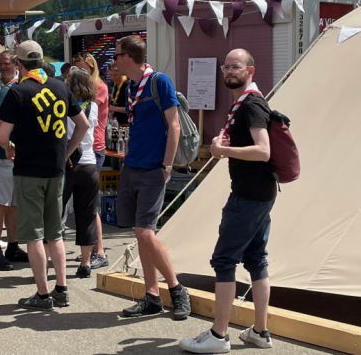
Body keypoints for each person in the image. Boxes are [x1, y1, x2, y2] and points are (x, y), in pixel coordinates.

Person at [179, 49, 276, 353]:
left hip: (248, 195)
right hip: (260, 193)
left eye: (236, 66)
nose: (229, 71)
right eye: (226, 67)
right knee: (256, 259)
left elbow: (263, 151)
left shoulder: (251, 104)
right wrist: (228, 146)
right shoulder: (247, 102)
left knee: (224, 260)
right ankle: (260, 332)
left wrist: (224, 151)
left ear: (251, 70)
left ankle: (219, 336)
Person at [0, 40, 88, 311]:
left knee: (34, 236)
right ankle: (62, 288)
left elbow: (2, 136)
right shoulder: (60, 86)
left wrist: (9, 147)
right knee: (55, 234)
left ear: (19, 64)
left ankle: (42, 293)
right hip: (56, 170)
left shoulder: (17, 91)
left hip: (29, 171)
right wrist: (67, 152)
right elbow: (82, 125)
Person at [114, 35, 191, 321]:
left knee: (145, 231)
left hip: (153, 169)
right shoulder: (130, 86)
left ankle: (176, 289)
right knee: (140, 232)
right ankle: (152, 296)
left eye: (117, 55)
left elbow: (174, 126)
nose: (114, 61)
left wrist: (167, 165)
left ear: (128, 57)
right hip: (132, 166)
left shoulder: (160, 82)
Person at [0, 66, 28, 270]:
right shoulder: (8, 91)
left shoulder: (18, 90)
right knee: (1, 202)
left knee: (13, 204)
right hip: (3, 154)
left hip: (14, 156)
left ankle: (13, 245)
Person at [73, 52, 109, 269]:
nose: (79, 72)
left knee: (90, 206)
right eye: (76, 68)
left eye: (82, 68)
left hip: (93, 148)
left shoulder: (98, 88)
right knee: (87, 205)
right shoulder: (85, 92)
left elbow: (84, 117)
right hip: (84, 150)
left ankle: (100, 250)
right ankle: (91, 249)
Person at [63, 68, 100, 279]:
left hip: (68, 162)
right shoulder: (93, 106)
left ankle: (51, 259)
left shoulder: (65, 105)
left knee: (55, 215)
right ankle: (85, 262)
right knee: (87, 215)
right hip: (89, 164)